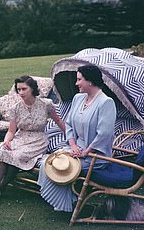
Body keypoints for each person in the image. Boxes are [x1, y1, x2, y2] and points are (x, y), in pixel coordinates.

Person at [37, 64, 116, 212]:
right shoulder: (78, 98)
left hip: (95, 155)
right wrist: (73, 146)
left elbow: (104, 135)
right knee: (47, 163)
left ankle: (66, 203)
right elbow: (69, 125)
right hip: (75, 149)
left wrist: (85, 152)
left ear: (90, 81)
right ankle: (66, 200)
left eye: (79, 80)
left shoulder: (106, 103)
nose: (76, 83)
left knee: (63, 169)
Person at [0, 75, 66, 205]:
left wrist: (72, 136)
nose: (21, 93)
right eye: (18, 90)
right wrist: (6, 141)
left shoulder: (46, 104)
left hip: (37, 140)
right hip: (20, 137)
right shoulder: (16, 108)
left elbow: (59, 121)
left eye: (24, 89)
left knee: (17, 155)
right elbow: (11, 131)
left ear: (32, 89)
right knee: (5, 152)